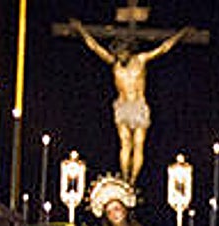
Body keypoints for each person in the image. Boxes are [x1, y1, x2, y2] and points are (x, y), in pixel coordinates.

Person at [70, 19, 191, 182]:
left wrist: (181, 34)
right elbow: (94, 47)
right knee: (125, 144)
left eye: (122, 53)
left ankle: (133, 180)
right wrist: (80, 29)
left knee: (138, 143)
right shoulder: (114, 63)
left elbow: (163, 48)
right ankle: (125, 178)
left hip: (138, 105)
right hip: (123, 105)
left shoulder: (140, 60)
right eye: (118, 53)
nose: (120, 56)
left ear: (129, 51)